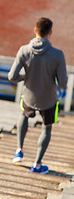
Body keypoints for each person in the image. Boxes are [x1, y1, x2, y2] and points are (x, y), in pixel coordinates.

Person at [8, 17, 67, 174]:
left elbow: (12, 77)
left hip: (28, 95)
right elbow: (62, 83)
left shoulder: (24, 50)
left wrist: (25, 77)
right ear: (50, 32)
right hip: (48, 99)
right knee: (46, 129)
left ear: (35, 30)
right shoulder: (58, 54)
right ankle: (37, 164)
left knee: (23, 115)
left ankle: (19, 151)